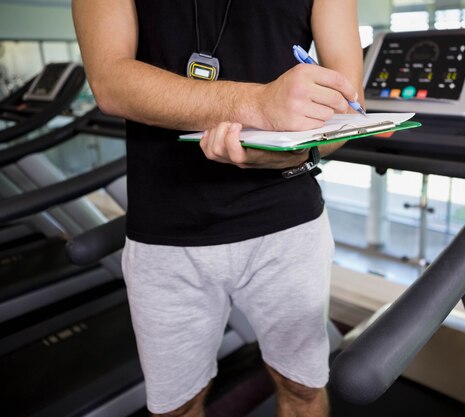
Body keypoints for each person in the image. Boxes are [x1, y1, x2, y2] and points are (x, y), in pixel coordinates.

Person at [71, 0, 364, 416]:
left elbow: (348, 105)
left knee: (302, 389)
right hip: (166, 230)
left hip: (288, 224)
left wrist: (301, 152)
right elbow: (110, 81)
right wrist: (257, 104)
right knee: (177, 405)